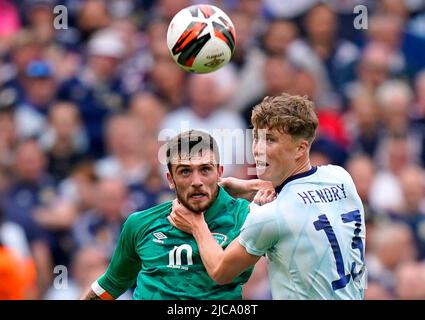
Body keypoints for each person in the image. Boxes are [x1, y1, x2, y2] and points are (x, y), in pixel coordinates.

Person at [169, 93, 367, 299]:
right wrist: (252, 186)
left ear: (301, 148)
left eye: (270, 140)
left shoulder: (268, 215)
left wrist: (196, 223)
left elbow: (220, 271)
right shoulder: (341, 177)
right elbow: (302, 195)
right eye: (256, 138)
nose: (258, 150)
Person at [82, 130, 273, 300]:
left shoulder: (246, 216)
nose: (196, 181)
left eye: (205, 169)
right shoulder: (140, 223)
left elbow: (296, 202)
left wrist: (256, 185)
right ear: (170, 180)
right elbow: (111, 284)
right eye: (185, 172)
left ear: (219, 172)